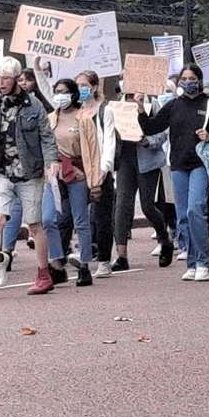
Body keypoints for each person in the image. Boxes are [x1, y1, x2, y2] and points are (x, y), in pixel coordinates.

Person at [0, 57, 59, 297]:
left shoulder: (34, 105)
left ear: (16, 78)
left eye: (6, 78)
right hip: (3, 170)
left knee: (34, 224)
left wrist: (52, 163)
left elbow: (47, 137)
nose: (1, 82)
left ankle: (43, 274)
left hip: (30, 172)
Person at [140, 64, 209, 282]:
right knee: (182, 216)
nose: (188, 82)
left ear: (199, 80)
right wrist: (140, 111)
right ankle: (191, 261)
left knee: (195, 210)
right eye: (185, 78)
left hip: (200, 164)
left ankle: (203, 261)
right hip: (178, 165)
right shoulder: (173, 106)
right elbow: (153, 127)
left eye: (192, 78)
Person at [40, 78, 99, 287]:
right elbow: (45, 145)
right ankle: (57, 262)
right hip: (54, 174)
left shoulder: (84, 119)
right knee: (48, 219)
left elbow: (92, 151)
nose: (59, 95)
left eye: (64, 91)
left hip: (77, 174)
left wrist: (93, 180)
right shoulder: (49, 118)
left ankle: (84, 266)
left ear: (73, 94)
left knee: (80, 220)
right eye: (56, 91)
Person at [113, 84, 177, 272]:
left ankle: (164, 239)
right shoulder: (116, 105)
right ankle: (121, 255)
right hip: (125, 159)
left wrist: (147, 141)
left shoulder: (153, 104)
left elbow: (162, 133)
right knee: (123, 204)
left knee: (148, 205)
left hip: (147, 160)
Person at [73, 69, 117, 277]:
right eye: (77, 85)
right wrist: (38, 70)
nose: (80, 90)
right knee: (76, 215)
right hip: (79, 168)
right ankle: (80, 254)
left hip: (99, 171)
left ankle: (104, 260)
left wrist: (104, 169)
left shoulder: (104, 111)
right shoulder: (75, 111)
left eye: (84, 85)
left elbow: (109, 140)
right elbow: (48, 94)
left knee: (101, 217)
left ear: (93, 87)